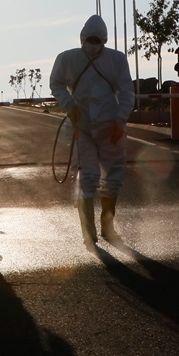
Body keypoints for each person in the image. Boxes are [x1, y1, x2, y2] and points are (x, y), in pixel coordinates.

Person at [49, 15, 134, 249]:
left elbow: (127, 91)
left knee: (113, 178)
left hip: (110, 126)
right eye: (90, 39)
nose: (93, 43)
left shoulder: (117, 60)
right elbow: (56, 83)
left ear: (104, 41)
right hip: (82, 127)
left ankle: (108, 226)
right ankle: (89, 232)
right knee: (87, 177)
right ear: (82, 38)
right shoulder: (67, 59)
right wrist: (68, 104)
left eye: (98, 40)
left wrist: (120, 119)